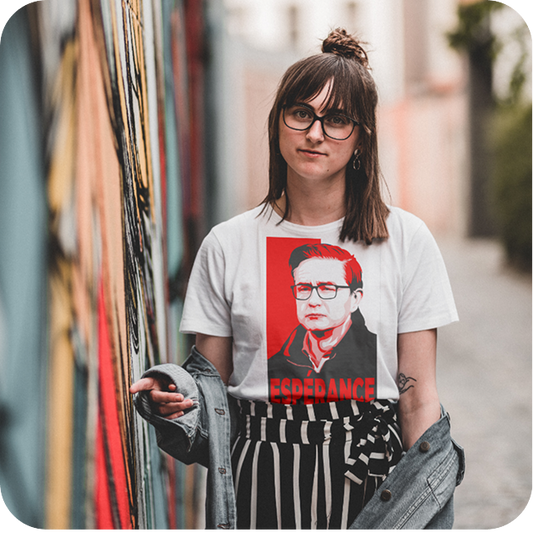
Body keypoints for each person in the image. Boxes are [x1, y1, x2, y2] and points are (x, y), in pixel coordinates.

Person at [130, 28, 462, 532]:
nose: (315, 133)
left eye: (338, 120)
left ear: (362, 137)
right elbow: (210, 389)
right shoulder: (228, 244)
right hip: (258, 480)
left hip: (376, 483)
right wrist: (174, 394)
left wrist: (427, 505)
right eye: (302, 113)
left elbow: (418, 398)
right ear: (279, 122)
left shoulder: (407, 240)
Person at [268, 243, 377, 404]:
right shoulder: (275, 362)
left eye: (327, 288)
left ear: (355, 298)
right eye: (303, 288)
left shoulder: (377, 355)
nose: (312, 301)